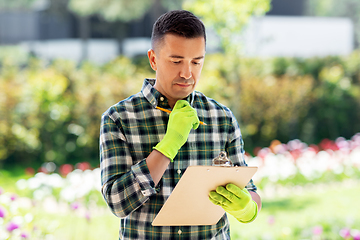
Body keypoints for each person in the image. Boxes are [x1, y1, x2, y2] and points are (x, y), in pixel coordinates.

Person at [100, 9, 261, 239]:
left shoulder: (221, 118)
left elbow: (251, 193)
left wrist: (246, 208)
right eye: (176, 61)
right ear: (153, 59)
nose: (187, 73)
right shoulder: (119, 118)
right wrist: (168, 145)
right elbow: (117, 203)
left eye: (197, 62)